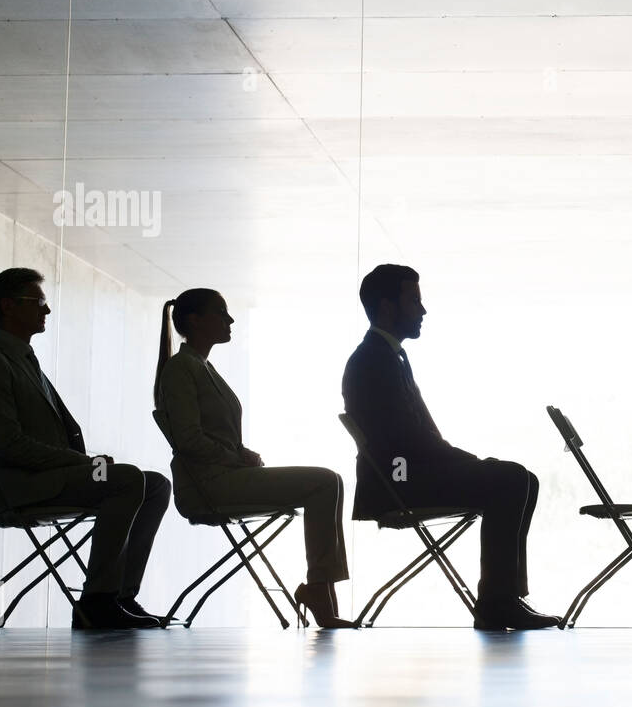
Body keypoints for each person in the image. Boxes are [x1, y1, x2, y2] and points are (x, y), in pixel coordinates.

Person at [341, 264, 557, 630]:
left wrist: (459, 462)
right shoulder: (374, 361)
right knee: (512, 479)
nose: (422, 311)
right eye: (414, 301)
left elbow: (412, 438)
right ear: (387, 306)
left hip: (408, 472)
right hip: (401, 480)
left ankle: (506, 596)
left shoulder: (385, 356)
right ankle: (496, 602)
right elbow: (402, 443)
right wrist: (461, 463)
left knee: (523, 479)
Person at [0, 268, 169, 629]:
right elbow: (9, 445)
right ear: (8, 306)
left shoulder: (24, 361)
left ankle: (119, 595)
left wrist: (83, 464)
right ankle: (97, 602)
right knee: (127, 478)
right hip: (23, 484)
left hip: (56, 475)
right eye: (38, 302)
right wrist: (83, 463)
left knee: (156, 484)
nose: (47, 311)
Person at [154, 288, 354, 628]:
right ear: (195, 320)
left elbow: (212, 437)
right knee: (324, 481)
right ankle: (319, 591)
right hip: (209, 485)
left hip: (225, 476)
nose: (230, 320)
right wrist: (235, 457)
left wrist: (240, 453)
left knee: (329, 480)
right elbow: (188, 440)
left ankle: (320, 589)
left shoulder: (202, 367)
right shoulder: (180, 369)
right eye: (221, 312)